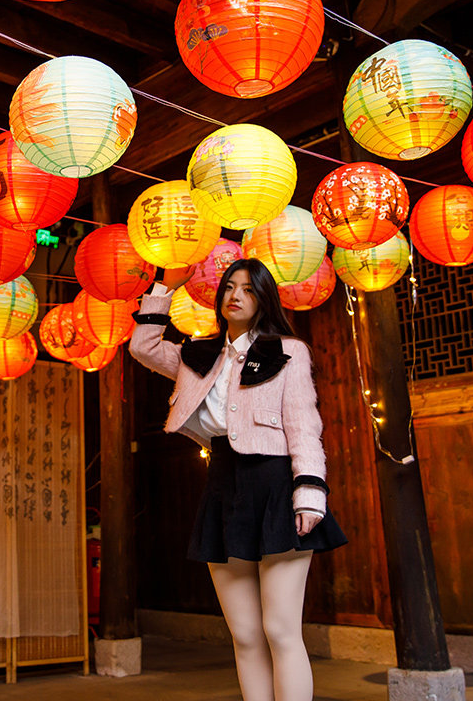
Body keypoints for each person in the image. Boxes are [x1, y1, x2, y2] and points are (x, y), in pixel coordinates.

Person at [129, 257, 347, 701]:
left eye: (248, 289)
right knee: (245, 634)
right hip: (223, 485)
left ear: (263, 298)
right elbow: (143, 347)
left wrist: (309, 492)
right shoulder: (199, 354)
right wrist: (163, 288)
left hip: (276, 486)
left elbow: (304, 426)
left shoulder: (288, 351)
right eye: (229, 286)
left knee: (280, 630)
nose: (235, 295)